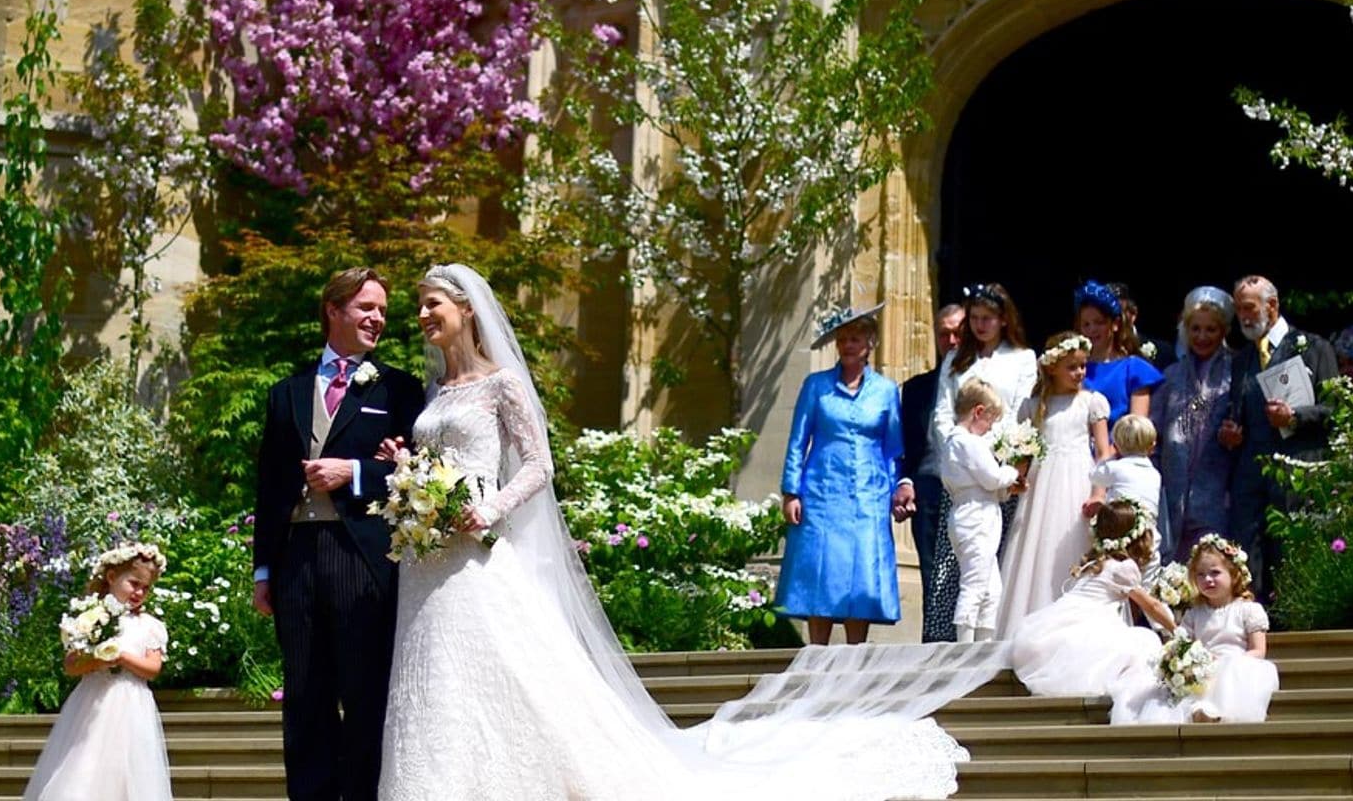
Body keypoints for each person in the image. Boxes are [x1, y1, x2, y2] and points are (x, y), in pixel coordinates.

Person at [379, 264, 971, 800]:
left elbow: (539, 465)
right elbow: (442, 459)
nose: (424, 314)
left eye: (433, 303)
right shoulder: (435, 393)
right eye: (422, 304)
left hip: (477, 551)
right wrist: (408, 472)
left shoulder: (500, 383)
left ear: (466, 310)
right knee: (438, 674)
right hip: (428, 558)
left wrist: (491, 508)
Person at [252, 267, 426, 801]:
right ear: (334, 310)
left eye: (382, 311)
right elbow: (269, 484)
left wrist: (351, 472)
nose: (377, 319)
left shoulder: (399, 389)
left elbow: (419, 474)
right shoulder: (288, 392)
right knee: (305, 694)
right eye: (366, 308)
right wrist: (263, 571)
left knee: (364, 693)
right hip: (296, 561)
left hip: (363, 558)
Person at [777, 303, 905, 644]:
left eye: (856, 338)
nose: (848, 344)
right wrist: (791, 492)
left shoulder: (886, 391)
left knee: (860, 573)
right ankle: (817, 654)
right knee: (823, 572)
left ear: (869, 344)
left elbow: (893, 449)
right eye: (843, 338)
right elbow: (797, 440)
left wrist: (897, 492)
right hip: (821, 491)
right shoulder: (816, 386)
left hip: (868, 492)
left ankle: (855, 656)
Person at [924, 283, 1038, 642]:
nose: (980, 325)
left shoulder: (1021, 358)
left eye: (987, 318)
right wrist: (962, 449)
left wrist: (993, 451)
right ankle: (950, 637)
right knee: (956, 563)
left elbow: (1021, 410)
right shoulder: (956, 360)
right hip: (963, 474)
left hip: (999, 467)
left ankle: (992, 635)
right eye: (974, 318)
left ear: (1003, 320)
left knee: (993, 566)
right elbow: (944, 412)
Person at [23, 544, 172, 800]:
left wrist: (122, 657)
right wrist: (97, 661)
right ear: (112, 577)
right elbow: (71, 665)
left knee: (127, 768)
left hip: (132, 705)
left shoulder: (150, 626)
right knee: (85, 761)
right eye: (134, 583)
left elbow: (153, 668)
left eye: (145, 588)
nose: (139, 592)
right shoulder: (91, 616)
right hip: (93, 702)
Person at [1219, 275, 1339, 589]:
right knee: (1246, 550)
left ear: (1272, 306)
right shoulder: (1241, 359)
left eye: (1248, 308)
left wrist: (1295, 416)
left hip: (1296, 470)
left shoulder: (1314, 347)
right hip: (1251, 472)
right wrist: (1232, 432)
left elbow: (1337, 410)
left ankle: (1295, 629)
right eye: (1238, 309)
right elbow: (1239, 411)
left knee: (1293, 553)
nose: (1242, 317)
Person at [996, 332, 1113, 635]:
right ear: (1051, 368)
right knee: (1038, 547)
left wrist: (1099, 491)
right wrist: (1015, 477)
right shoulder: (1033, 406)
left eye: (1083, 366)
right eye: (1072, 367)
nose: (1080, 373)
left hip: (1078, 481)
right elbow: (1024, 451)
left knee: (1074, 545)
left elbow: (1103, 452)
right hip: (1042, 486)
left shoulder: (1091, 402)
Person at [1009, 500, 1172, 701]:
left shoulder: (1095, 564)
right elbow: (1152, 606)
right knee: (1145, 642)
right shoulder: (1125, 567)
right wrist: (1177, 630)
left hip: (1057, 620)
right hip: (1090, 621)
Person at [1122, 534, 1279, 724]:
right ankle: (1196, 711)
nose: (1208, 580)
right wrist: (1186, 664)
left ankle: (1213, 711)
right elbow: (1184, 645)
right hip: (1201, 670)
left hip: (1236, 665)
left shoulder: (1248, 609)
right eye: (1201, 575)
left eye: (1215, 573)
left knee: (1228, 674)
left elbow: (1258, 650)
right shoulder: (1194, 614)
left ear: (1234, 574)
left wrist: (1231, 662)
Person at [1152, 287, 1237, 562]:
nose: (1202, 337)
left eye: (1210, 329)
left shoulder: (1237, 371)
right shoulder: (1170, 376)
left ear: (1223, 331)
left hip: (1217, 497)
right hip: (1172, 496)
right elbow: (1152, 437)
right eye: (1195, 328)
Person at [899, 303, 965, 642]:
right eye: (944, 333)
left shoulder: (986, 379)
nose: (951, 340)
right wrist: (904, 481)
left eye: (958, 332)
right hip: (928, 489)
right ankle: (934, 647)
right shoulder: (915, 388)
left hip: (972, 491)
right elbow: (904, 446)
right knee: (931, 573)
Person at [940, 378, 1023, 643]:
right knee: (975, 583)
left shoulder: (955, 443)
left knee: (991, 588)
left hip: (979, 512)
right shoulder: (968, 443)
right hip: (975, 518)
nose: (990, 429)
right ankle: (965, 646)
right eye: (990, 420)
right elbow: (991, 478)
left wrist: (1005, 490)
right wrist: (1012, 473)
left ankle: (984, 645)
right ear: (978, 412)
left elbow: (986, 486)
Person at [1076, 279, 1163, 422]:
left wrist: (1113, 445)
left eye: (1099, 322)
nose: (1092, 329)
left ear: (1115, 324)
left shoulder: (1134, 369)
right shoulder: (1076, 368)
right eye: (1086, 324)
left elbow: (1137, 427)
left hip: (1122, 442)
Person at [1091, 415, 1165, 572]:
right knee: (1146, 573)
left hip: (1119, 531)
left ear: (1116, 446)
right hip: (1148, 534)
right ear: (1152, 446)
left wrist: (1108, 457)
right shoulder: (1155, 474)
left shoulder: (1116, 468)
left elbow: (1095, 476)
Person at [1110, 281, 1176, 369]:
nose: (1111, 321)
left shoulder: (1163, 353)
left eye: (1117, 314)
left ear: (1133, 314)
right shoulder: (1091, 353)